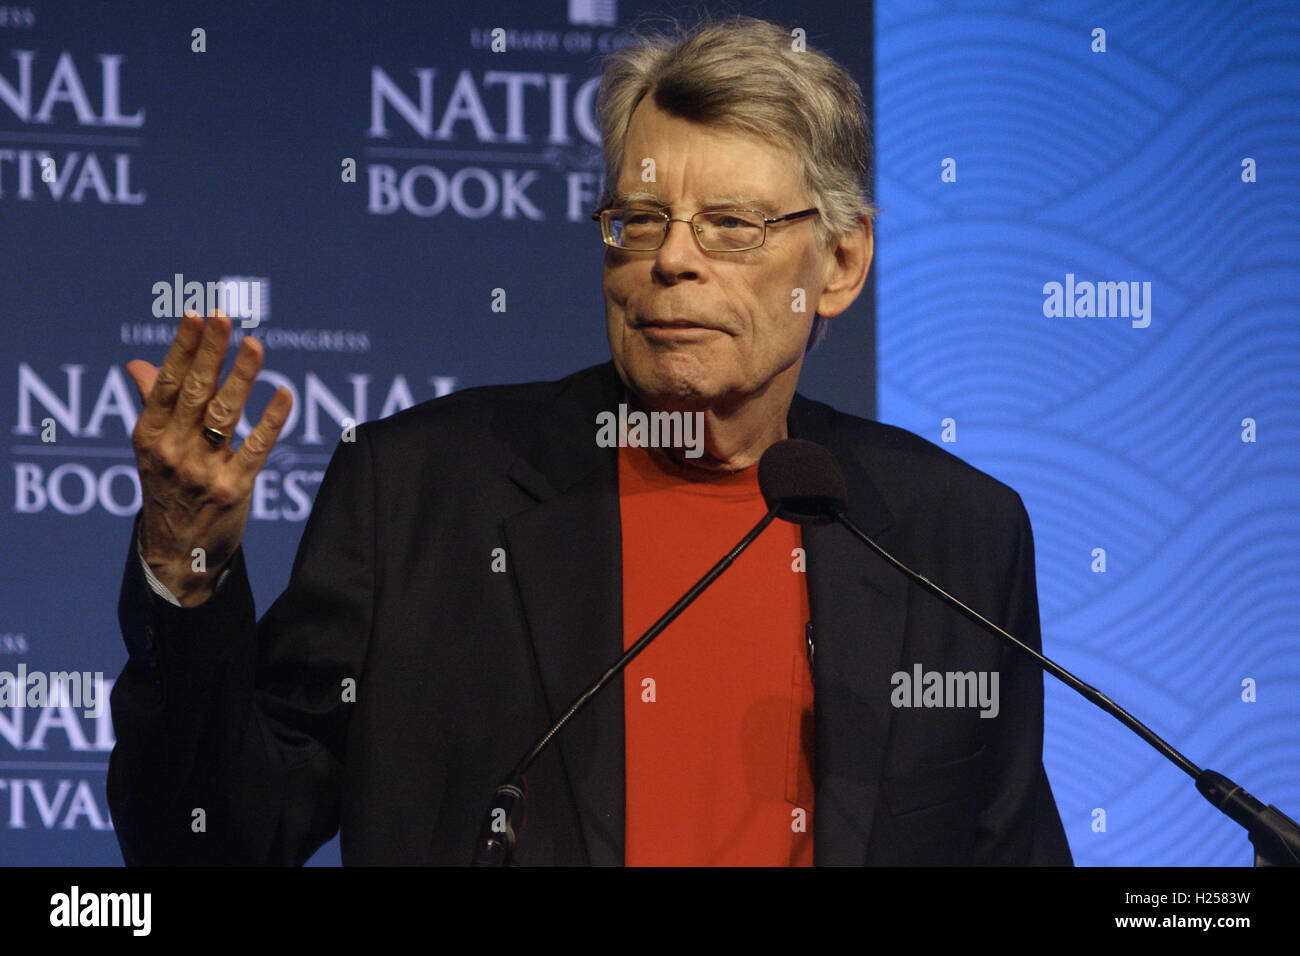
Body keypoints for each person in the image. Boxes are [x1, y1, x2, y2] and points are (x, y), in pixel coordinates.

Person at [110, 15, 1072, 866]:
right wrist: (182, 566)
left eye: (731, 226)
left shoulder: (952, 535)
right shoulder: (422, 494)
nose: (672, 260)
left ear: (842, 263)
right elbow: (217, 836)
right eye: (638, 220)